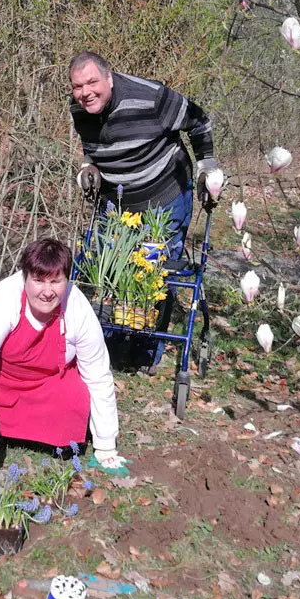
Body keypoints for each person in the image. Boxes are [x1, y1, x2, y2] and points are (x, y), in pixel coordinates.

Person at [0, 238, 125, 486]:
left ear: (67, 281)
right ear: (25, 277)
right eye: (39, 280)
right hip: (0, 372)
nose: (47, 291)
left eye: (56, 281)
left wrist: (106, 447)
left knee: (75, 397)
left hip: (45, 379)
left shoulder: (78, 308)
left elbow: (97, 374)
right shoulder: (4, 299)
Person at [68, 51, 218, 369]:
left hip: (164, 195)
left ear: (109, 78)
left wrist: (207, 165)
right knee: (109, 269)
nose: (85, 92)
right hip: (116, 201)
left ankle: (146, 350)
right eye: (78, 86)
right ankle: (108, 342)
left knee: (154, 272)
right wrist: (87, 166)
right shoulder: (78, 108)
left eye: (92, 82)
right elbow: (92, 146)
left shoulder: (149, 97)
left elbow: (198, 121)